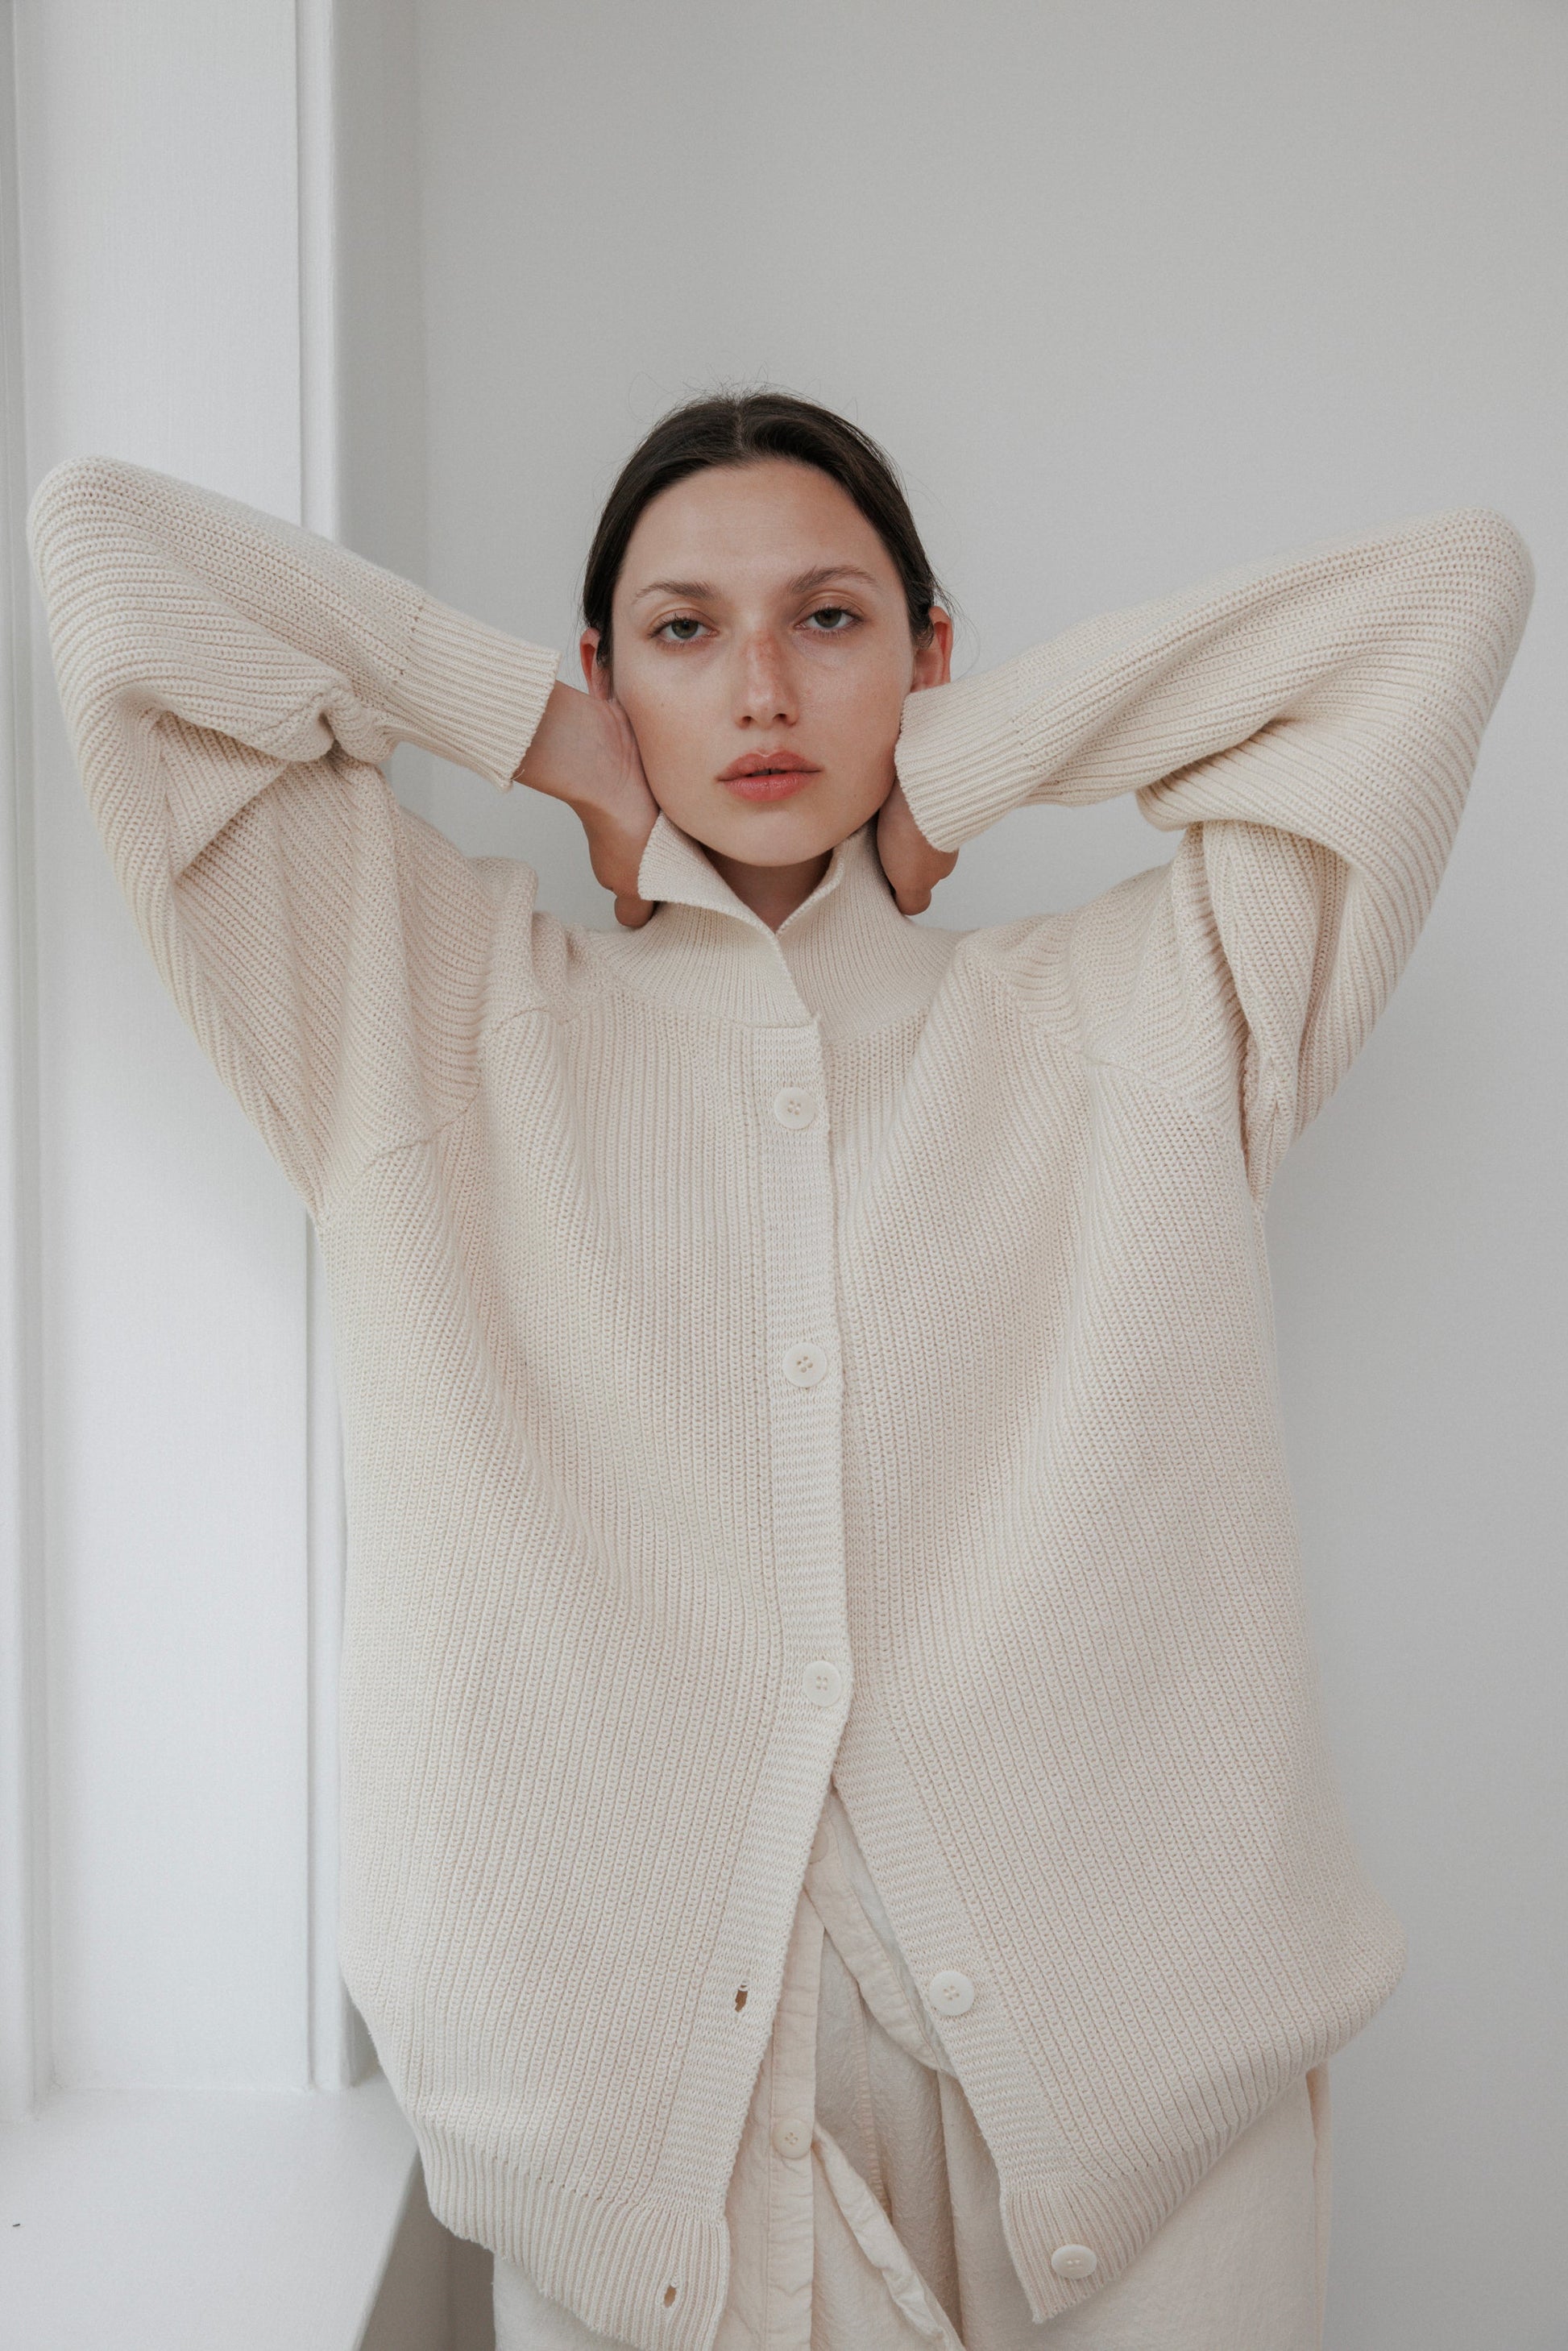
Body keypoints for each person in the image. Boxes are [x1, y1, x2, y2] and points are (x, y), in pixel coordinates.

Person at [27, 393, 1533, 2351]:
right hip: (645, 2138)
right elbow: (110, 559)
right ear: (599, 665)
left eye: (829, 621)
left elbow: (1444, 597)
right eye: (678, 630)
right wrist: (535, 736)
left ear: (927, 647)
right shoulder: (412, 1009)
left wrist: (958, 775)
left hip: (1134, 2111)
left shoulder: (1149, 1009)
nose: (756, 685)